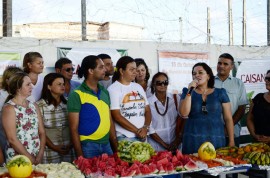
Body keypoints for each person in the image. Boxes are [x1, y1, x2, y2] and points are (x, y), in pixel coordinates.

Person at [67, 55, 117, 158]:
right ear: (91, 70)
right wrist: (80, 155)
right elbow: (73, 128)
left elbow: (109, 120)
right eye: (101, 67)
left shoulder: (105, 92)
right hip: (87, 147)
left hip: (106, 145)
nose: (105, 69)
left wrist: (115, 146)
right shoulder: (76, 94)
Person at [179, 62, 234, 154]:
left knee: (217, 165)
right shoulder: (187, 91)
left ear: (208, 76)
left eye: (200, 73)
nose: (197, 75)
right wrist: (190, 92)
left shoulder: (220, 93)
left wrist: (231, 141)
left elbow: (228, 119)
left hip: (216, 139)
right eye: (194, 73)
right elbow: (184, 113)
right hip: (193, 139)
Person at [2, 72, 46, 164]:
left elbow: (41, 132)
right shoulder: (9, 108)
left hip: (36, 156)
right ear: (18, 88)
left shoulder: (34, 105)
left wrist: (40, 153)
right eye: (28, 84)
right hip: (18, 158)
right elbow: (12, 139)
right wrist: (30, 158)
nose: (32, 86)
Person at [108, 56, 151, 142]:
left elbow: (147, 110)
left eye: (135, 69)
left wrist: (145, 128)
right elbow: (116, 116)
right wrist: (138, 131)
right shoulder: (113, 89)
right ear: (121, 71)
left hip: (143, 135)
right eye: (131, 70)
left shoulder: (138, 87)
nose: (135, 72)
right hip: (125, 137)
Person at [37, 73, 74, 163]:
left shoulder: (69, 103)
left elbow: (75, 126)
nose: (62, 86)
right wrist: (53, 147)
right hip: (49, 151)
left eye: (63, 84)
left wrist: (71, 144)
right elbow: (39, 131)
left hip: (68, 149)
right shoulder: (39, 106)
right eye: (59, 84)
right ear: (49, 87)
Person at [215, 53, 248, 146]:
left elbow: (242, 108)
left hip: (233, 134)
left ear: (232, 66)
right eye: (219, 63)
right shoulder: (209, 82)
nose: (221, 66)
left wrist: (228, 127)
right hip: (212, 133)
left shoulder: (238, 83)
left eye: (225, 64)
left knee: (231, 160)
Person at [147, 72, 182, 151]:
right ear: (153, 84)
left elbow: (183, 118)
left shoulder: (176, 99)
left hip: (175, 146)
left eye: (165, 82)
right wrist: (164, 145)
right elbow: (149, 127)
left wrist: (177, 141)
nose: (163, 85)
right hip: (156, 147)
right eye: (159, 83)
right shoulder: (148, 102)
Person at [0, 66, 23, 154]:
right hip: (4, 142)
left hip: (24, 142)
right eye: (17, 78)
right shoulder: (1, 96)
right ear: (7, 81)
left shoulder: (26, 95)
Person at [247, 70, 270, 143]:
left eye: (269, 79)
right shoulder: (258, 98)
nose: (267, 81)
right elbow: (249, 118)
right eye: (266, 78)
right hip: (258, 146)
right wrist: (254, 135)